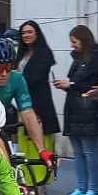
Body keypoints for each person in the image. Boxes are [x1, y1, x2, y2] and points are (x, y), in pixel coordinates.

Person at [0, 37, 54, 180]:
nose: (4, 74)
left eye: (8, 67)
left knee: (9, 171)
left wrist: (41, 150)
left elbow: (27, 113)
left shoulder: (17, 79)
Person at [56, 26, 98, 195]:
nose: (72, 46)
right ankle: (81, 186)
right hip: (74, 107)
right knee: (78, 151)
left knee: (89, 150)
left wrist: (71, 84)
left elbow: (91, 85)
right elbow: (76, 82)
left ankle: (93, 188)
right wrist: (69, 85)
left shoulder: (96, 58)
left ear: (83, 41)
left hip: (88, 108)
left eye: (74, 42)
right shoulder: (77, 59)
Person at [16, 21, 59, 159]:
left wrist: (17, 79)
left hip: (38, 104)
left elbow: (35, 78)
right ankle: (25, 179)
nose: (26, 35)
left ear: (37, 34)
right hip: (22, 103)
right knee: (24, 144)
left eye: (29, 32)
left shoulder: (44, 53)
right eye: (23, 33)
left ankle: (40, 178)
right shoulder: (22, 53)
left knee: (39, 144)